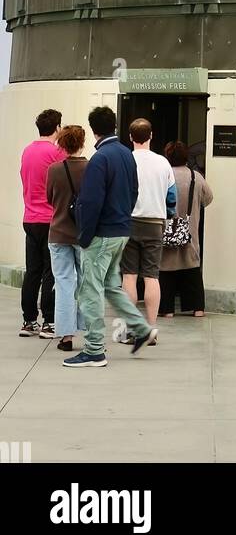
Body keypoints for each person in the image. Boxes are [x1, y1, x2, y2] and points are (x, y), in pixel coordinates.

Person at [64, 105, 157, 368]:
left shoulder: (100, 158)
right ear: (114, 125)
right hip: (121, 231)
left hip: (101, 234)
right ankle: (141, 328)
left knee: (89, 291)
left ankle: (94, 349)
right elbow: (134, 191)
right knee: (109, 286)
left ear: (93, 129)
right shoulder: (127, 155)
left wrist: (85, 235)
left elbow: (90, 202)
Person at [120, 118, 177, 340]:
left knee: (129, 277)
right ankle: (151, 328)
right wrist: (167, 213)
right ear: (151, 136)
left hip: (129, 222)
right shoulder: (163, 163)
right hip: (155, 223)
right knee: (152, 276)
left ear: (131, 137)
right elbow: (172, 197)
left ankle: (131, 328)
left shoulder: (125, 160)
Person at [19, 108, 64, 338]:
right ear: (57, 128)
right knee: (51, 272)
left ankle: (28, 321)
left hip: (30, 218)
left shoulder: (27, 151)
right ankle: (48, 321)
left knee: (32, 271)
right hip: (50, 219)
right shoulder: (57, 153)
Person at [45, 124, 88, 352]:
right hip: (85, 235)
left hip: (59, 231)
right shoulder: (92, 168)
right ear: (82, 143)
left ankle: (66, 336)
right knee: (87, 284)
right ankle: (90, 333)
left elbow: (50, 198)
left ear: (62, 143)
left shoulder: (54, 169)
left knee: (63, 283)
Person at [159, 141, 213, 317]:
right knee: (192, 268)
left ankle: (167, 309)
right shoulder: (195, 176)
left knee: (166, 268)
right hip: (189, 231)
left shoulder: (164, 176)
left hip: (167, 229)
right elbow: (208, 198)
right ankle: (197, 308)